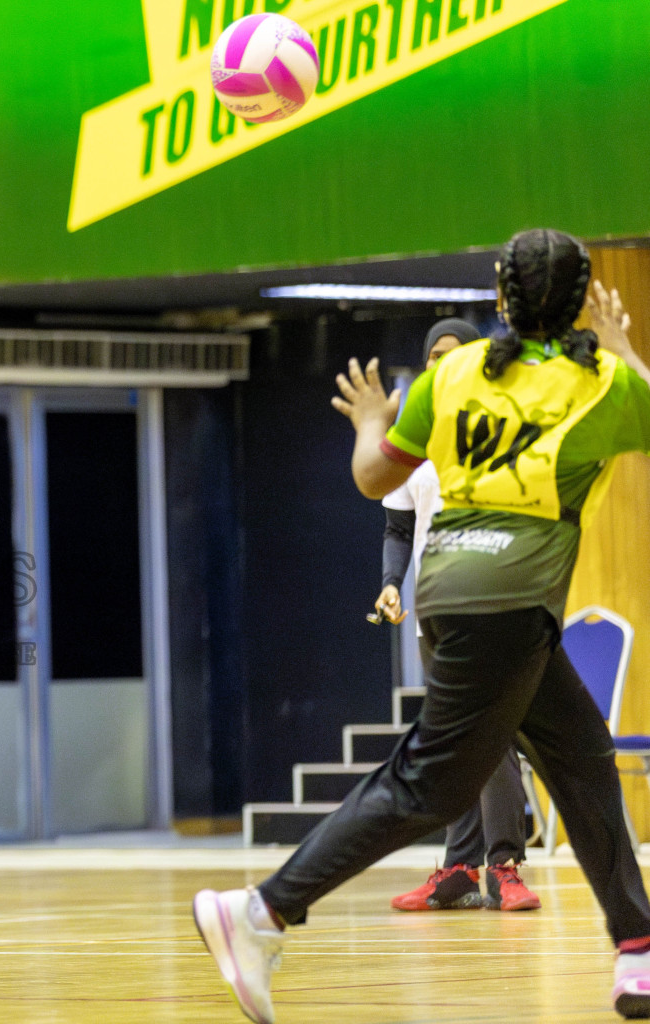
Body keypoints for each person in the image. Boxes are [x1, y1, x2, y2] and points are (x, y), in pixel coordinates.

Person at [194, 229, 650, 1024]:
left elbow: (375, 477)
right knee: (430, 783)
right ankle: (261, 912)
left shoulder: (455, 373)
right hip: (506, 603)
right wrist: (620, 345)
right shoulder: (601, 382)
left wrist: (371, 418)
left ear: (499, 300)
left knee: (580, 757)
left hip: (452, 592)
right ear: (579, 301)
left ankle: (638, 950)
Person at [378, 319, 542, 914]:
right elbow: (398, 528)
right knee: (452, 745)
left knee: (494, 738)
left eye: (456, 355)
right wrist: (391, 585)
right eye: (434, 357)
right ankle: (458, 870)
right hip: (436, 618)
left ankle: (505, 866)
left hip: (493, 609)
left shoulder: (497, 429)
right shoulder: (412, 438)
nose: (443, 365)